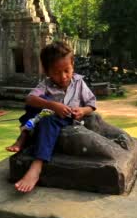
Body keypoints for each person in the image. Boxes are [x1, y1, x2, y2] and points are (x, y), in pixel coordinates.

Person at [6, 41, 96, 193]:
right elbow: (30, 99)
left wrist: (82, 110)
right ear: (47, 72)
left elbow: (92, 104)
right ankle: (24, 135)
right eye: (56, 72)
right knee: (32, 109)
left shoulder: (79, 83)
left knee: (47, 119)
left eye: (67, 70)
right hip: (47, 114)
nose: (63, 76)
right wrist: (53, 105)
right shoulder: (46, 84)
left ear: (72, 65)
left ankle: (37, 165)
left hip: (66, 119)